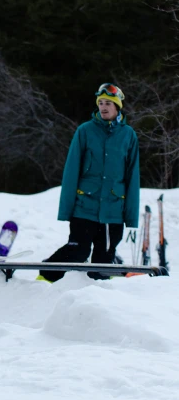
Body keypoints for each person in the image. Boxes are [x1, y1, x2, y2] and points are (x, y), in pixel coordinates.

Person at [38, 83, 140, 283]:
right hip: (85, 207)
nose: (103, 107)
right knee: (78, 250)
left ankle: (96, 297)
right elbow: (71, 172)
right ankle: (45, 277)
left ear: (117, 107)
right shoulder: (85, 131)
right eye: (100, 103)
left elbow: (132, 177)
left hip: (113, 211)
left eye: (108, 103)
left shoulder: (128, 135)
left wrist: (131, 217)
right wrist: (66, 210)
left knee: (103, 261)